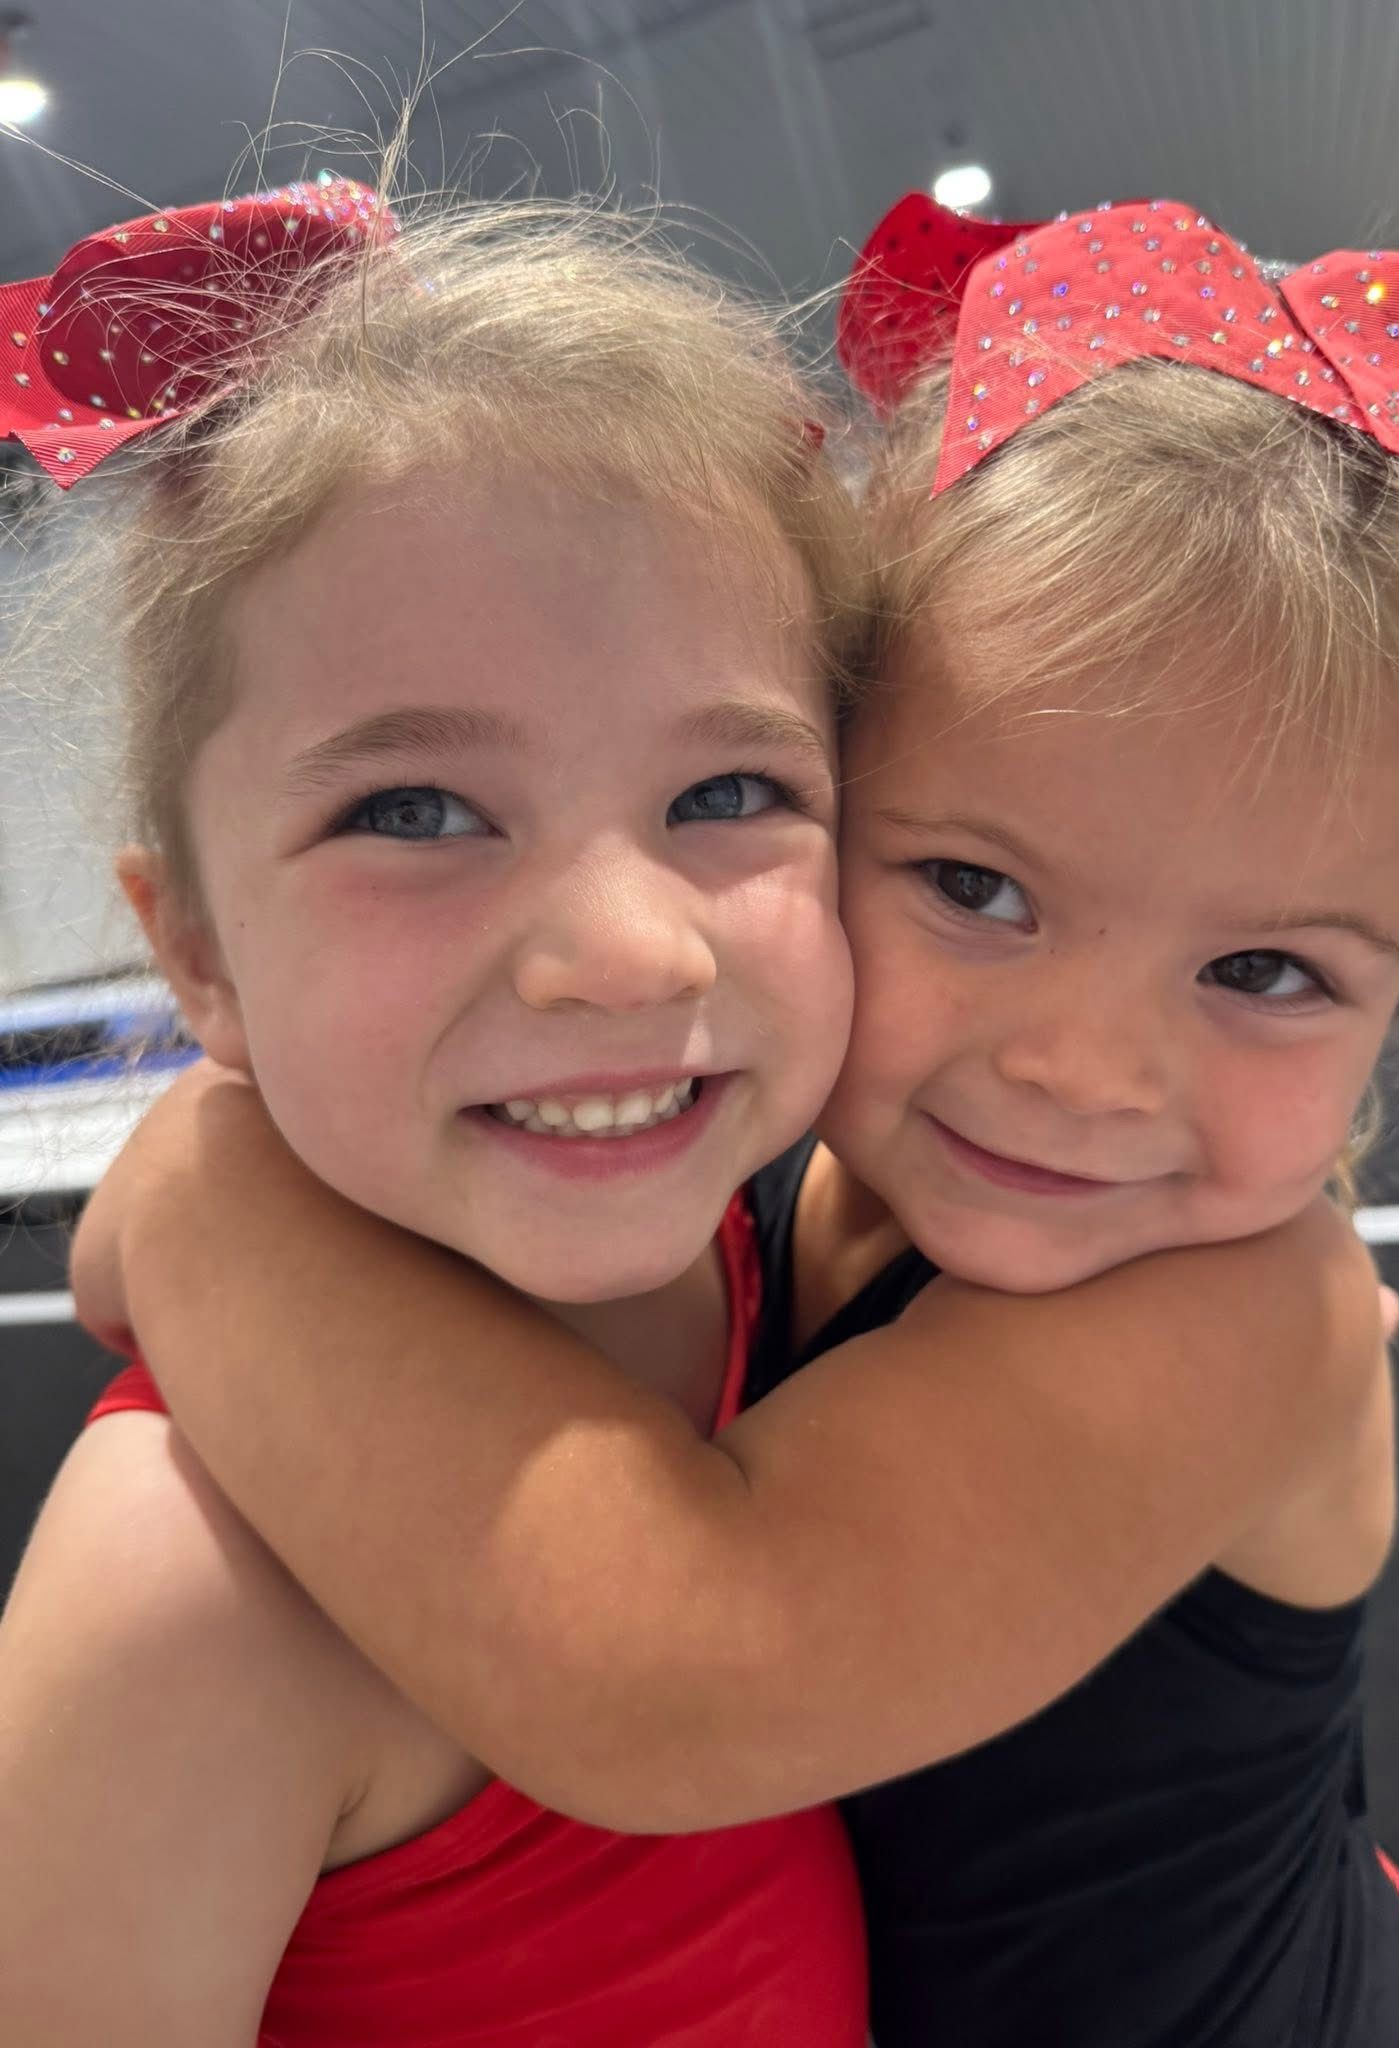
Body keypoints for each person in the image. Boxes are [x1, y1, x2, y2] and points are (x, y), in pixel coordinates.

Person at [64, 195, 1399, 2044]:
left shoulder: (1248, 1310)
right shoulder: (775, 1168)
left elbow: (681, 1672)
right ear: (843, 784)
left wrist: (205, 1190)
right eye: (977, 891)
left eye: (1265, 972)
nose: (1081, 1068)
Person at [0, 180, 873, 2046]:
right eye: (412, 813)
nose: (627, 954)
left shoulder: (801, 1242)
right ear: (197, 953)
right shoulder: (184, 1601)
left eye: (730, 791)